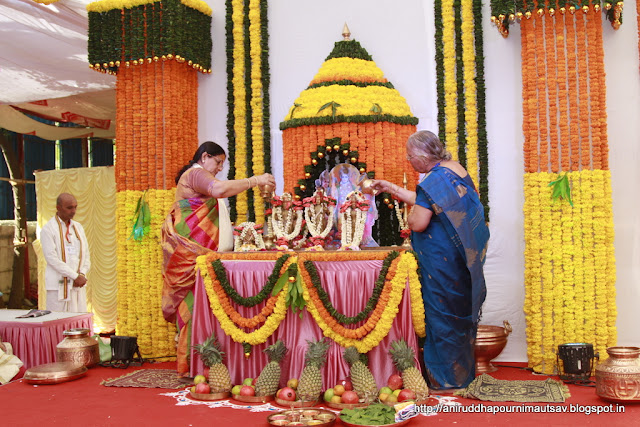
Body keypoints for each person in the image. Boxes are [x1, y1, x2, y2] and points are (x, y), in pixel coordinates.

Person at [371, 130, 490, 391]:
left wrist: (410, 218)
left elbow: (420, 221)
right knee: (458, 315)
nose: (408, 160)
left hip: (442, 262)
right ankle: (462, 375)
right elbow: (429, 202)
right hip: (460, 261)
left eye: (411, 156)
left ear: (424, 157)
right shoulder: (453, 169)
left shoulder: (434, 180)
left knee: (442, 317)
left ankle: (446, 381)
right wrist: (390, 187)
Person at [161, 141, 275, 375]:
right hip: (191, 258)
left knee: (206, 310)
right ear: (204, 157)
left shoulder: (200, 176)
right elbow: (220, 190)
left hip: (207, 258)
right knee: (192, 309)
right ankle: (190, 365)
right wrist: (255, 180)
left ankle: (206, 364)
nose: (220, 168)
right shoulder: (194, 174)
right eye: (218, 162)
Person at [40, 193, 91, 312]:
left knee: (77, 321)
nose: (73, 211)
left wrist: (82, 274)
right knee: (57, 321)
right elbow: (51, 258)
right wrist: (74, 276)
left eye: (75, 207)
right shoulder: (49, 229)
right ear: (58, 208)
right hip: (58, 286)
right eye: (69, 208)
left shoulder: (78, 227)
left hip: (77, 285)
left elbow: (86, 255)